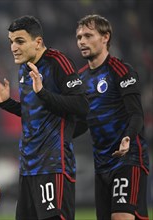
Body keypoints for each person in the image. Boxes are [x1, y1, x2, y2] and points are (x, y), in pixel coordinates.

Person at [0, 15, 89, 220]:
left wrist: (43, 93)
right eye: (11, 41)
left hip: (53, 165)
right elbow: (35, 114)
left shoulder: (58, 62)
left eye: (20, 41)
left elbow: (82, 106)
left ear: (38, 42)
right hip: (28, 167)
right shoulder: (24, 68)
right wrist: (6, 103)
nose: (13, 47)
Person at [75, 14, 150, 220]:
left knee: (121, 216)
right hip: (101, 163)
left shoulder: (120, 70)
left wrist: (128, 137)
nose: (82, 41)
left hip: (128, 158)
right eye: (79, 36)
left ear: (105, 37)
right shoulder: (80, 79)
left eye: (88, 35)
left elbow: (136, 113)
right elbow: (81, 123)